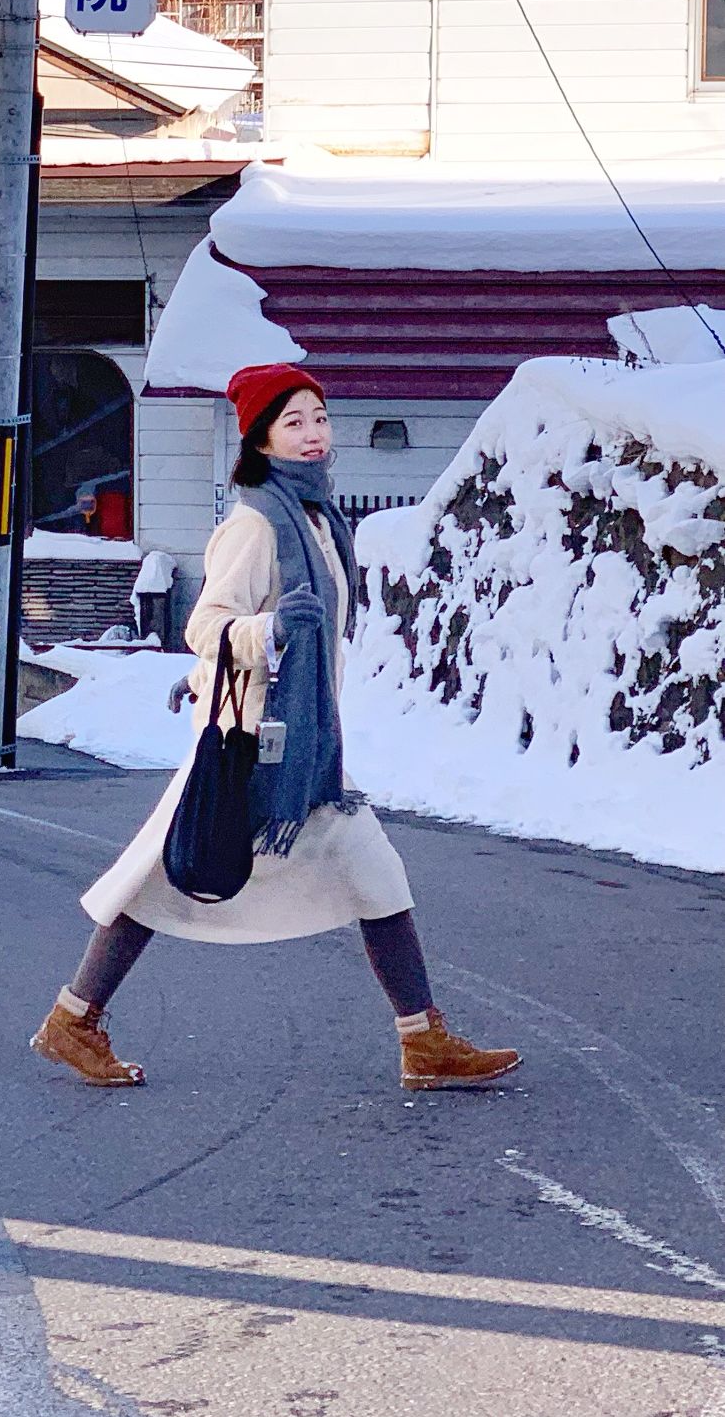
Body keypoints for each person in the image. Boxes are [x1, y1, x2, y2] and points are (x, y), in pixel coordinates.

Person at [32, 363, 522, 1092]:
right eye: (292, 422)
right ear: (259, 439)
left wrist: (244, 652)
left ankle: (422, 1039)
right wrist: (260, 634)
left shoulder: (319, 516)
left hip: (304, 741)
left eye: (318, 417)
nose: (312, 433)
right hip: (254, 742)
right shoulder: (256, 523)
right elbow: (209, 624)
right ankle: (74, 1018)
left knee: (367, 870)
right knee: (168, 872)